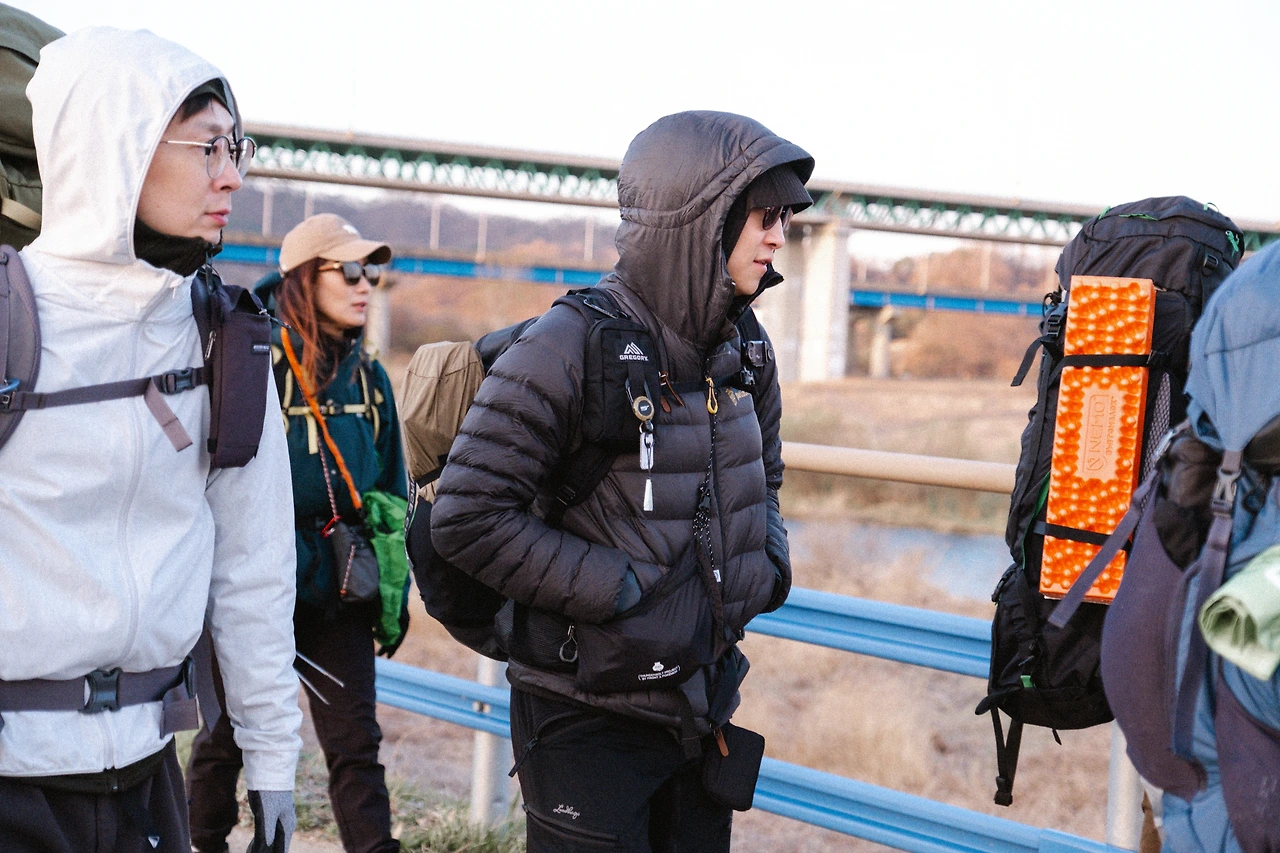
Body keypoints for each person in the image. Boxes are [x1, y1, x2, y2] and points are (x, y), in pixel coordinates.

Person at [430, 111, 810, 851]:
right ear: (700, 217)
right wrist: (618, 589)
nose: (778, 238)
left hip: (700, 699)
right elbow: (469, 515)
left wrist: (766, 566)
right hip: (583, 713)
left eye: (786, 220)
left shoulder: (746, 348)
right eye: (765, 217)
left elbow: (765, 475)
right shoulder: (568, 344)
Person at [0, 27, 301, 853]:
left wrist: (273, 759)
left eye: (236, 147)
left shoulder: (222, 340)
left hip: (145, 781)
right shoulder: (13, 323)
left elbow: (254, 573)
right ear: (116, 148)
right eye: (207, 147)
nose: (231, 175)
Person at [187, 213, 408, 853]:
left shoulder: (369, 378)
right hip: (255, 578)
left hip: (339, 583)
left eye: (373, 274)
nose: (366, 285)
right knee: (226, 737)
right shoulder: (252, 358)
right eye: (352, 271)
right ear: (306, 278)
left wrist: (391, 590)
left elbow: (390, 489)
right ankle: (200, 842)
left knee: (355, 745)